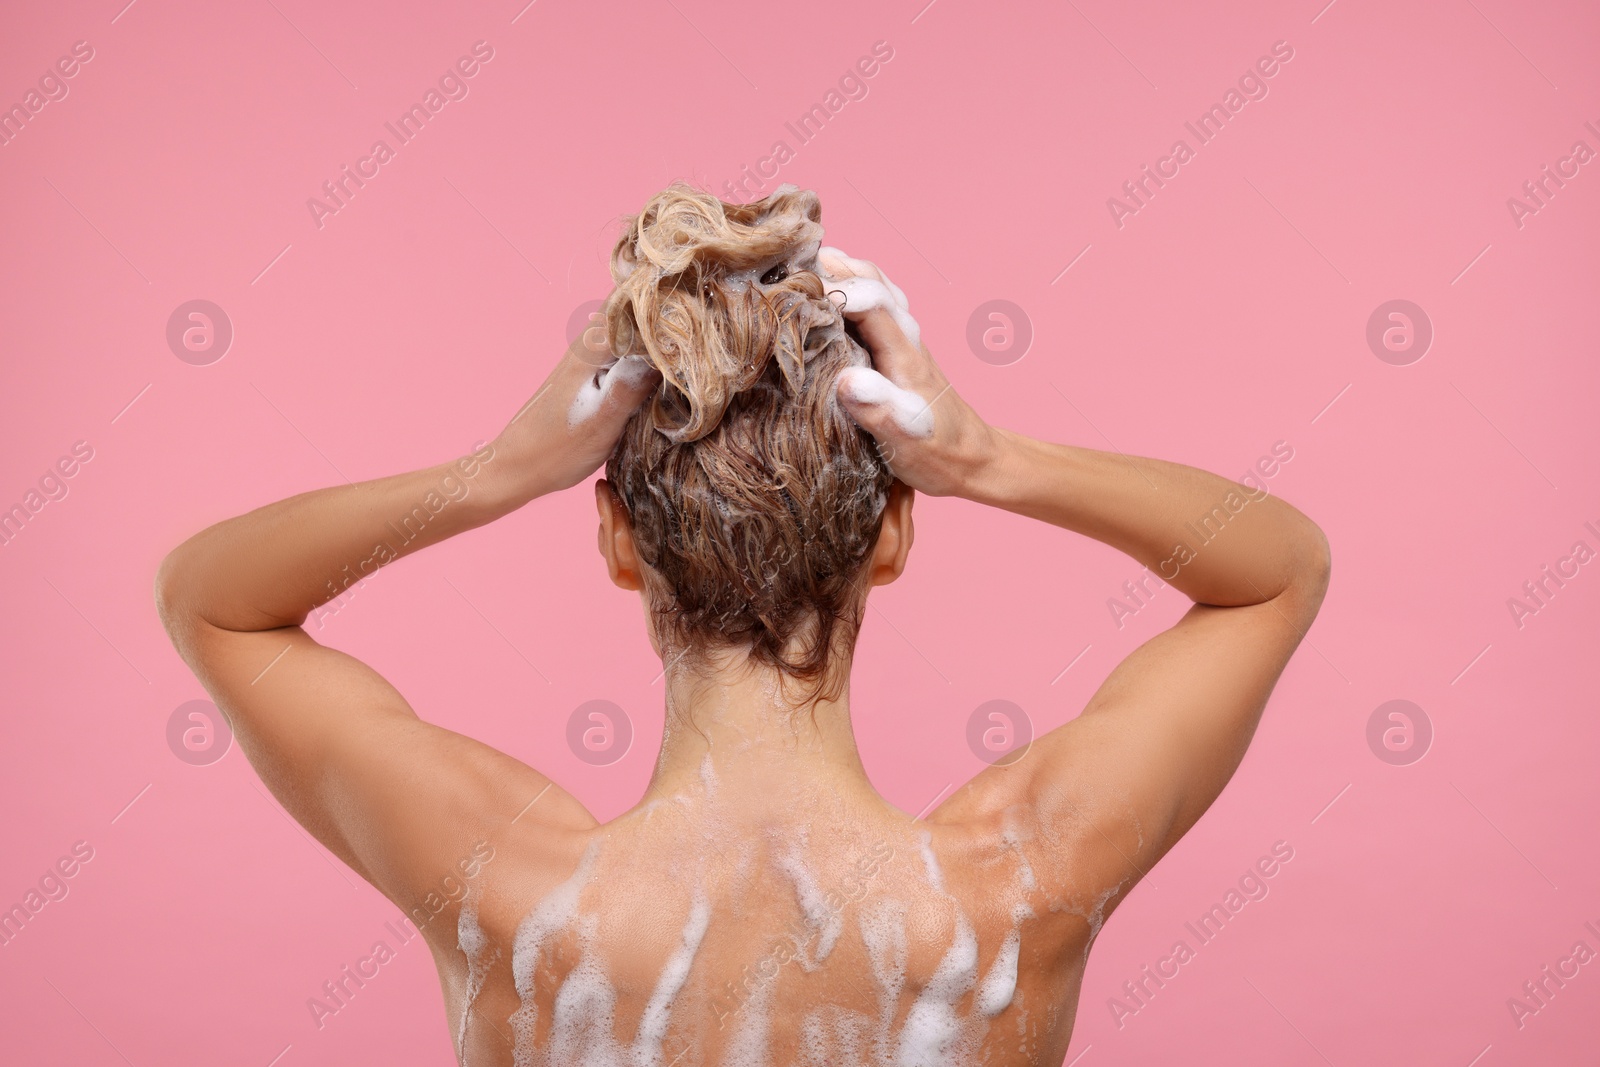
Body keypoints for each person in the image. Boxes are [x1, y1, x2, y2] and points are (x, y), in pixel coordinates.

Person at [156, 182, 1330, 1066]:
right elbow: (1275, 567)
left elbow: (216, 601)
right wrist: (988, 458)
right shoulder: (1013, 885)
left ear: (619, 543)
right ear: (892, 537)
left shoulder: (510, 892)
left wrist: (498, 473)